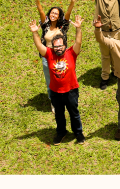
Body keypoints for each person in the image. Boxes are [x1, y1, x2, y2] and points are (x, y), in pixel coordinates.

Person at [28, 15, 85, 145]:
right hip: (55, 92)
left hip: (71, 91)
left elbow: (78, 42)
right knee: (59, 115)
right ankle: (61, 133)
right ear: (52, 47)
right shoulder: (49, 54)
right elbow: (39, 45)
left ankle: (78, 133)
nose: (58, 48)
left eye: (60, 46)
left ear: (65, 45)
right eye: (56, 46)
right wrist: (35, 32)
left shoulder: (71, 53)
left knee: (74, 114)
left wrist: (78, 29)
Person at [32, 0, 76, 113]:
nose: (53, 15)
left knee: (63, 78)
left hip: (62, 57)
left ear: (59, 16)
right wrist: (37, 0)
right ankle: (54, 103)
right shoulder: (45, 25)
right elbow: (41, 11)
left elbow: (68, 13)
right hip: (48, 57)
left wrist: (72, 2)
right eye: (52, 12)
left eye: (56, 13)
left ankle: (66, 100)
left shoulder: (63, 27)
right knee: (50, 81)